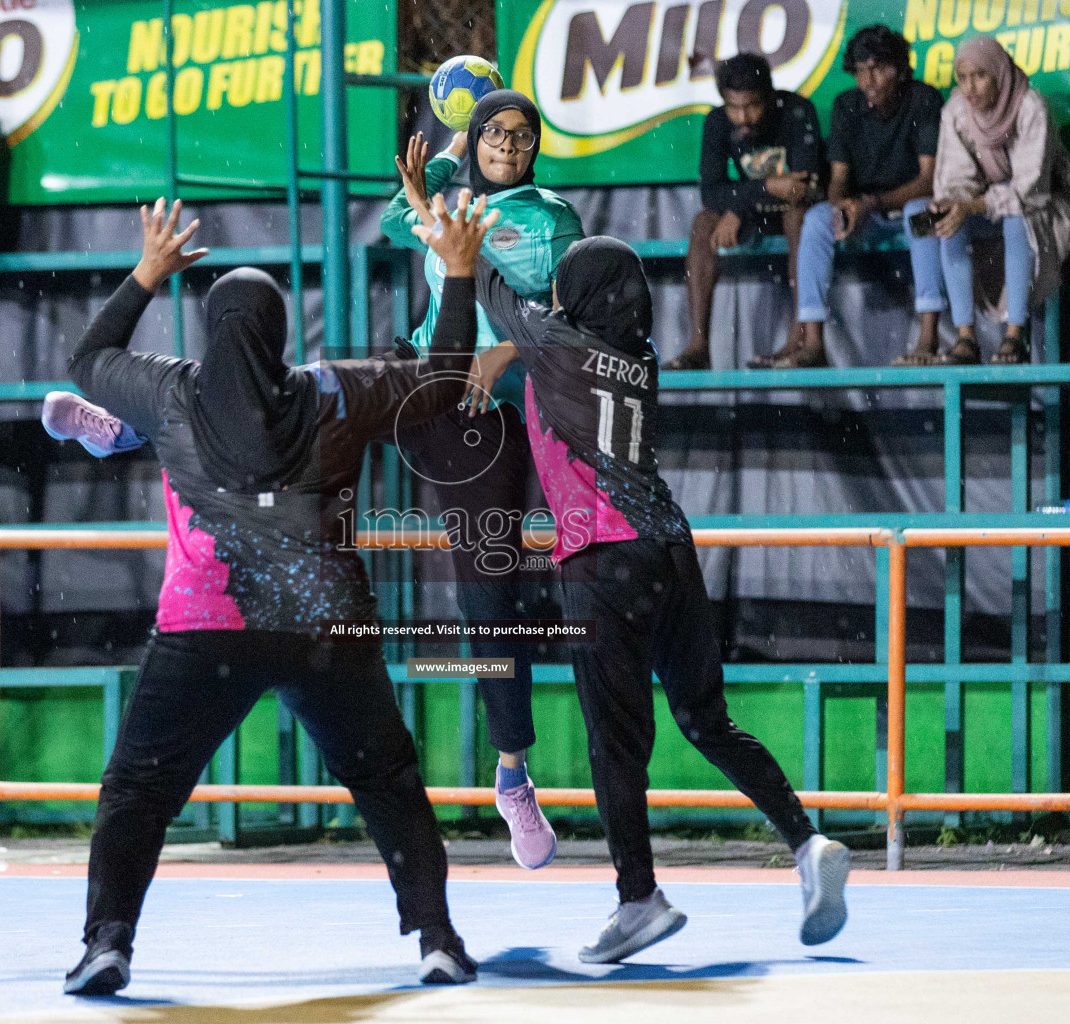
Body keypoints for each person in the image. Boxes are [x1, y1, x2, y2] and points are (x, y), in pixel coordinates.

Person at [58, 194, 495, 995]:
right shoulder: (333, 390)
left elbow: (86, 362)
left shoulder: (171, 392)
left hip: (205, 630)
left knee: (138, 789)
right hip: (325, 626)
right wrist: (459, 274)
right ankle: (437, 939)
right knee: (387, 779)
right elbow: (444, 380)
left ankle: (107, 943)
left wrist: (147, 273)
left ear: (214, 329)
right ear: (280, 331)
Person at [467, 235, 851, 963]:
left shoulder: (553, 343)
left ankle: (638, 897)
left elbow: (488, 287)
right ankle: (807, 843)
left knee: (617, 746)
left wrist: (452, 221)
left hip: (602, 563)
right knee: (707, 720)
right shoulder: (639, 358)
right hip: (672, 550)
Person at [381, 89, 584, 870]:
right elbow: (398, 201)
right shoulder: (443, 197)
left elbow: (574, 316)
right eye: (494, 132)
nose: (508, 145)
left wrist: (517, 350)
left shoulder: (553, 217)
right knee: (487, 584)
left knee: (569, 578)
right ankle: (514, 774)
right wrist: (448, 133)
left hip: (536, 396)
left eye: (522, 135)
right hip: (451, 399)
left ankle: (521, 770)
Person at [931, 36, 1070, 365]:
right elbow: (956, 181)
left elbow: (1029, 189)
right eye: (962, 78)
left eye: (980, 76)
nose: (970, 88)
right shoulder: (956, 113)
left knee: (1018, 220)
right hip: (989, 203)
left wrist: (974, 206)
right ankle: (966, 338)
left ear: (998, 74)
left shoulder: (1031, 106)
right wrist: (955, 204)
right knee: (949, 221)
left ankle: (1013, 336)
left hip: (1048, 199)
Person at [793, 26, 947, 368]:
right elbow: (839, 179)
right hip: (866, 214)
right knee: (816, 218)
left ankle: (928, 337)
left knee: (921, 213)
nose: (868, 80)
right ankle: (813, 341)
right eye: (861, 71)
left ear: (900, 69)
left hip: (904, 205)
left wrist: (871, 203)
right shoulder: (846, 105)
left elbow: (929, 180)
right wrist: (840, 208)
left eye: (877, 68)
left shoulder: (924, 99)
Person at [668, 52, 823, 371]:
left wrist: (743, 200)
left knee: (799, 214)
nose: (744, 117)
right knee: (702, 222)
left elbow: (802, 187)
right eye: (734, 107)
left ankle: (801, 339)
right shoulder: (717, 121)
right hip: (754, 211)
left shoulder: (796, 110)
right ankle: (699, 346)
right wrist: (760, 191)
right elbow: (710, 193)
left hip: (794, 214)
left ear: (768, 95)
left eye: (752, 105)